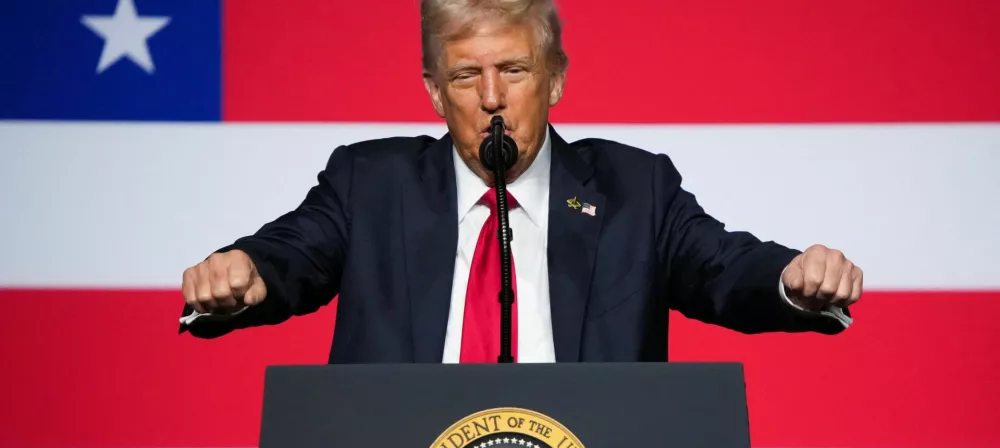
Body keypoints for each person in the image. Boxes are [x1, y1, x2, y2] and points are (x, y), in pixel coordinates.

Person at [179, 0, 862, 363]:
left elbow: (723, 268)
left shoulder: (633, 189)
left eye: (515, 69)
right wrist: (245, 272)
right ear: (434, 92)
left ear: (556, 78)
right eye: (466, 76)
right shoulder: (370, 183)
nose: (493, 97)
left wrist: (792, 277)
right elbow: (292, 253)